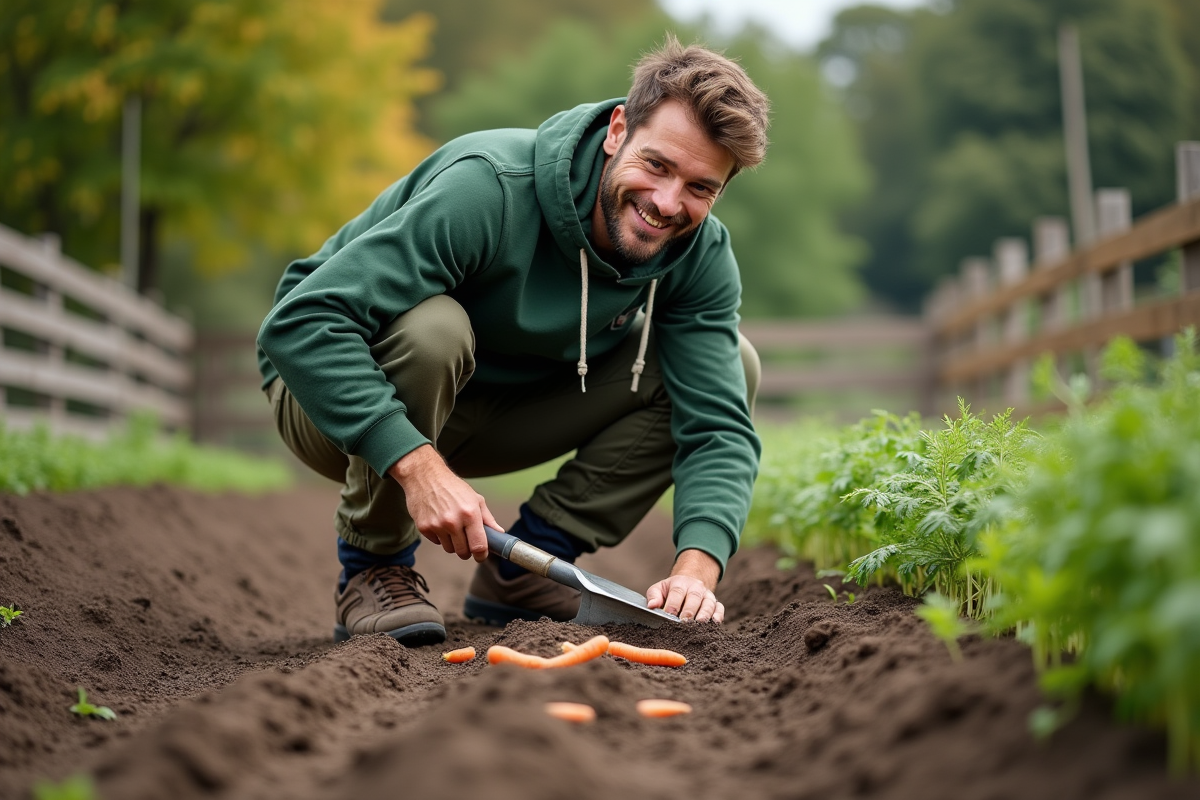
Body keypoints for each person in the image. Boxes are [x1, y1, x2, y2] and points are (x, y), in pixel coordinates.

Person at [256, 35, 769, 647]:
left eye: (700, 187)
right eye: (656, 165)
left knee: (735, 364)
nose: (666, 203)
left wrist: (697, 568)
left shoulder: (699, 253)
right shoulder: (490, 187)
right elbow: (299, 322)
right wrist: (418, 466)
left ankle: (523, 570)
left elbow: (717, 424)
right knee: (433, 330)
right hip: (335, 399)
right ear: (617, 130)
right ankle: (374, 568)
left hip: (495, 414)